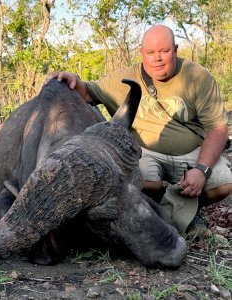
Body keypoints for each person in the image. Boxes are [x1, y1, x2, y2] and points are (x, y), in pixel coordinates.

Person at [46, 24, 232, 233]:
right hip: (145, 154)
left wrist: (201, 170)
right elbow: (88, 92)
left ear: (176, 49)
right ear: (142, 52)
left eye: (164, 51)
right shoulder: (123, 78)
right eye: (151, 52)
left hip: (190, 153)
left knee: (224, 183)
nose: (157, 58)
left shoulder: (198, 76)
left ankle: (189, 206)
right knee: (129, 180)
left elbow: (218, 129)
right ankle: (163, 206)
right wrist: (73, 79)